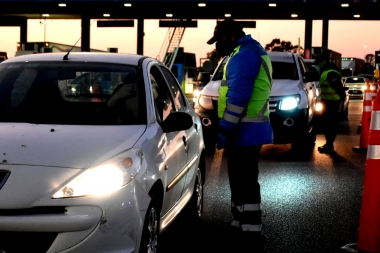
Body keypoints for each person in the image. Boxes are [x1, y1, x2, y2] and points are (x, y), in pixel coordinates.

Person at [206, 18, 273, 250]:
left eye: (219, 40)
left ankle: (251, 234)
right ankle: (239, 224)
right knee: (240, 179)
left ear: (230, 36)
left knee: (244, 181)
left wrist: (225, 128)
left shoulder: (244, 55)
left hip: (244, 130)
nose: (217, 46)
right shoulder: (249, 51)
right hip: (247, 129)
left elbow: (238, 97)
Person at [317, 61, 346, 154]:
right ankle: (329, 144)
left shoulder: (323, 74)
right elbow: (338, 86)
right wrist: (343, 96)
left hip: (326, 101)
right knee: (331, 123)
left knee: (328, 123)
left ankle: (329, 144)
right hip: (333, 101)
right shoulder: (332, 73)